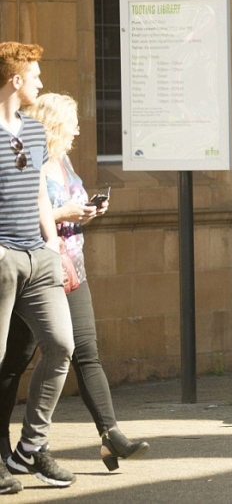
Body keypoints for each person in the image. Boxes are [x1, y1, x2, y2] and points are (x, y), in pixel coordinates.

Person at [0, 93, 150, 475]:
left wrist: (88, 210)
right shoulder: (26, 159)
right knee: (13, 361)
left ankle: (110, 433)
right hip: (36, 271)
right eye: (72, 123)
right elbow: (16, 215)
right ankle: (8, 444)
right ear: (54, 125)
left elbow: (72, 204)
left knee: (84, 350)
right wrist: (63, 212)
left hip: (72, 269)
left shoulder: (63, 161)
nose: (78, 130)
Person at [0, 41, 76, 492]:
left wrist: (51, 244)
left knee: (62, 346)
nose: (41, 83)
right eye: (35, 76)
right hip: (4, 259)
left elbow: (38, 192)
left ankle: (31, 448)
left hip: (38, 255)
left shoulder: (30, 130)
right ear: (15, 80)